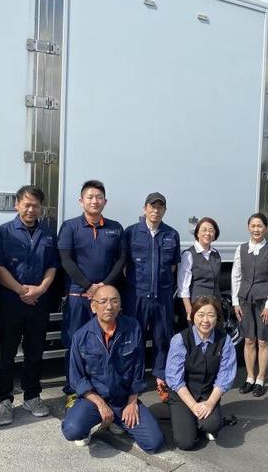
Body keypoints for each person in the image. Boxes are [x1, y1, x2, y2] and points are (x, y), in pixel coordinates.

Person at [61, 285, 164, 453]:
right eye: (103, 301)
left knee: (154, 443)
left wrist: (132, 402)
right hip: (94, 401)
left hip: (124, 400)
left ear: (120, 305)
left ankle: (118, 421)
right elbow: (77, 378)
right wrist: (100, 404)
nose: (109, 306)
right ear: (93, 306)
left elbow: (138, 370)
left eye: (114, 301)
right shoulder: (81, 336)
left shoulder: (133, 328)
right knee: (72, 430)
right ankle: (88, 424)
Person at [0, 185, 59, 425]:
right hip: (10, 302)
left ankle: (32, 396)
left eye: (36, 205)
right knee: (6, 354)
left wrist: (40, 289)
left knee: (35, 352)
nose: (31, 210)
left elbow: (52, 266)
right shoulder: (2, 232)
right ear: (17, 205)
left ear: (41, 208)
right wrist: (20, 290)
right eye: (27, 205)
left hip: (38, 303)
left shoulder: (48, 234)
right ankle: (3, 400)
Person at [57, 180, 125, 407]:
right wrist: (89, 286)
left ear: (105, 201)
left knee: (106, 344)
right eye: (90, 197)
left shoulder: (115, 228)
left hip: (105, 301)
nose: (95, 201)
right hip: (79, 298)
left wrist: (103, 287)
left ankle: (103, 391)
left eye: (99, 197)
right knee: (75, 344)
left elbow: (121, 260)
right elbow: (66, 260)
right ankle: (73, 391)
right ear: (81, 201)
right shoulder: (70, 227)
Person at [122, 192, 181, 401]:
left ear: (164, 210)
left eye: (160, 207)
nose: (156, 210)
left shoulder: (171, 234)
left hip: (162, 296)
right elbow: (124, 265)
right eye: (152, 206)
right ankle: (135, 380)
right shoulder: (131, 232)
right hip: (137, 295)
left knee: (162, 338)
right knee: (135, 338)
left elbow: (173, 265)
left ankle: (160, 378)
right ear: (145, 208)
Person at [165, 296, 237, 450]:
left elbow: (225, 377)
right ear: (193, 316)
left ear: (217, 318)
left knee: (213, 425)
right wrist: (193, 407)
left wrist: (210, 403)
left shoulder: (225, 341)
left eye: (211, 315)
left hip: (207, 394)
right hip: (183, 395)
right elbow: (175, 380)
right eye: (201, 315)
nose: (205, 320)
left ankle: (201, 421)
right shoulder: (179, 340)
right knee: (185, 443)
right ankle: (181, 415)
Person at [231, 213, 268, 397]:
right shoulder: (241, 249)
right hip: (245, 300)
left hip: (264, 301)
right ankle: (250, 377)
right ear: (248, 228)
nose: (256, 229)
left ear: (266, 228)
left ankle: (261, 378)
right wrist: (235, 302)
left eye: (260, 226)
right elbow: (236, 276)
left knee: (262, 340)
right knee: (248, 340)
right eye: (253, 226)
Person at [176, 217, 222, 321]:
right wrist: (189, 310)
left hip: (214, 305)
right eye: (204, 230)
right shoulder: (188, 254)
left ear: (215, 234)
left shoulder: (216, 254)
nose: (208, 233)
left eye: (211, 230)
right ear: (197, 233)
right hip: (197, 306)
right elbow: (183, 287)